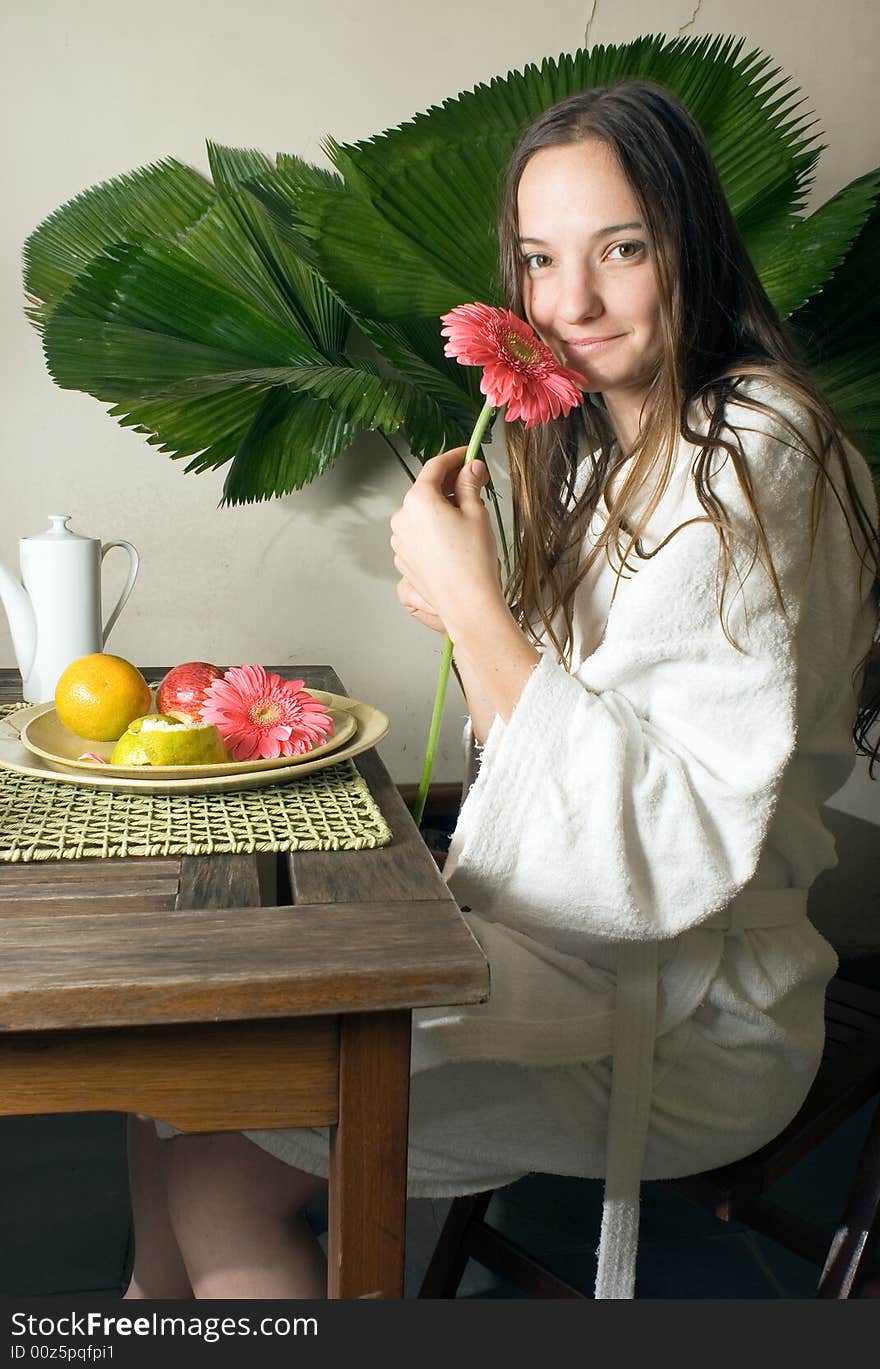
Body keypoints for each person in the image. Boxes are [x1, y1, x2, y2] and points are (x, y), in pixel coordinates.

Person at [124, 80, 880, 1300]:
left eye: (621, 249)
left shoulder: (753, 452)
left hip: (693, 1014)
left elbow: (657, 850)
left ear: (693, 243)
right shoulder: (618, 455)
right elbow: (555, 766)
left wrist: (480, 609)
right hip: (587, 951)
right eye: (538, 259)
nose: (569, 306)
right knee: (177, 1077)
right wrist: (468, 617)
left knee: (214, 1143)